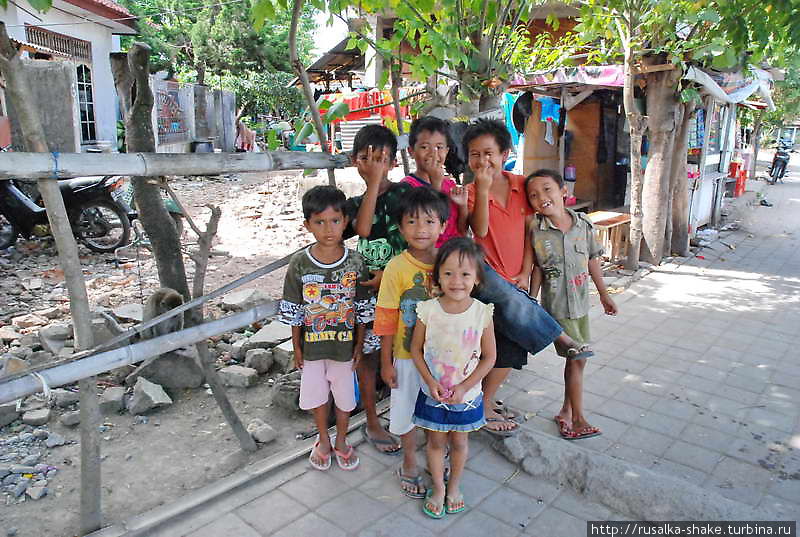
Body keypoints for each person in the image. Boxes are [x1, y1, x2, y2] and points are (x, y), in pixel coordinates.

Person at [463, 118, 592, 436]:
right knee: (501, 334)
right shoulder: (469, 191)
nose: (483, 161)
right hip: (487, 278)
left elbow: (534, 234)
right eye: (475, 154)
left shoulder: (524, 186)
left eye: (489, 153)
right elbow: (478, 230)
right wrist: (480, 189)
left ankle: (485, 403)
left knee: (510, 349)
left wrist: (526, 272)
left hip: (517, 282)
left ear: (505, 153)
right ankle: (560, 336)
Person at [280, 185, 371, 471]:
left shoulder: (356, 262)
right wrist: (296, 346)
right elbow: (294, 309)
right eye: (319, 222)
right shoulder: (300, 264)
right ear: (307, 225)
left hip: (345, 348)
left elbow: (362, 308)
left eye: (334, 220)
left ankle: (342, 440)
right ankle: (323, 439)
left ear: (345, 221)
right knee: (317, 396)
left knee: (344, 397)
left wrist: (360, 345)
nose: (328, 229)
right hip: (312, 348)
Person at [525, 169, 618, 440]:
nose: (541, 197)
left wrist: (604, 294)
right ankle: (577, 420)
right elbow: (537, 268)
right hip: (557, 308)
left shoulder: (583, 224)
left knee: (577, 363)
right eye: (533, 195)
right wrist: (532, 301)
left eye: (547, 189)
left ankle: (566, 412)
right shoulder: (535, 229)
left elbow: (592, 260)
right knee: (577, 360)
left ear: (563, 191)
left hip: (581, 307)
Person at [410, 237, 496, 519]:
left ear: (477, 278)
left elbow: (489, 358)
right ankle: (438, 487)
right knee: (435, 443)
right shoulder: (428, 310)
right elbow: (416, 349)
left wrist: (464, 387)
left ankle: (454, 487)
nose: (456, 281)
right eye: (448, 273)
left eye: (465, 274)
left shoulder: (482, 313)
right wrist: (430, 382)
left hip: (466, 397)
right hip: (432, 393)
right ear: (438, 276)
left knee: (459, 443)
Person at [373, 187, 448, 499]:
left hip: (444, 358)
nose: (421, 229)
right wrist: (385, 361)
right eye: (413, 222)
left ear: (443, 226)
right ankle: (408, 462)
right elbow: (387, 316)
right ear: (401, 228)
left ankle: (434, 456)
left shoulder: (449, 262)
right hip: (404, 356)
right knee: (404, 411)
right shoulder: (396, 268)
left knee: (437, 411)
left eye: (429, 222)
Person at [343, 124, 413, 455]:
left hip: (405, 291)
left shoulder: (406, 195)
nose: (374, 166)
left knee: (409, 354)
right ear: (354, 161)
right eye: (366, 159)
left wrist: (390, 273)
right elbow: (364, 228)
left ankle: (412, 416)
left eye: (381, 159)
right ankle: (372, 420)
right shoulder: (356, 203)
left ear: (394, 163)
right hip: (369, 297)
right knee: (368, 357)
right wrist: (372, 185)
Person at [402, 116, 468, 247]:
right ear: (411, 151)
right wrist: (436, 185)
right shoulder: (407, 187)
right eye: (425, 147)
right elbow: (428, 228)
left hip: (455, 255)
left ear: (447, 151)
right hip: (430, 259)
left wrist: (463, 205)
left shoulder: (450, 185)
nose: (433, 153)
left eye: (439, 147)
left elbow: (462, 230)